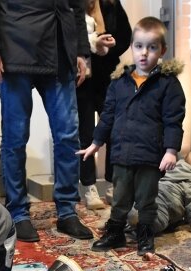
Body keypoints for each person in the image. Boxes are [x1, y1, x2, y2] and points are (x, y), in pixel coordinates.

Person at [0, 0, 94, 243]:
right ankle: (17, 212)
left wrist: (80, 49)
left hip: (60, 43)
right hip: (14, 41)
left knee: (68, 135)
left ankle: (67, 211)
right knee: (15, 137)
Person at [79, 16, 185, 256]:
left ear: (162, 51)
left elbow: (173, 121)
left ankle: (145, 236)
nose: (144, 53)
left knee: (147, 200)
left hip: (150, 156)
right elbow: (107, 117)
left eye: (152, 47)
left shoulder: (168, 85)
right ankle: (115, 233)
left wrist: (171, 150)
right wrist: (95, 143)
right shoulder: (119, 84)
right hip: (122, 154)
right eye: (139, 46)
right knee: (119, 198)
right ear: (132, 48)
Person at [75, 0, 125, 210]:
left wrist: (109, 47)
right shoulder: (73, 6)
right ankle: (89, 187)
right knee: (85, 134)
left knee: (114, 130)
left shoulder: (111, 4)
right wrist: (92, 45)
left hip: (107, 78)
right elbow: (69, 38)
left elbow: (125, 36)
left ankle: (113, 184)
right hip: (81, 80)